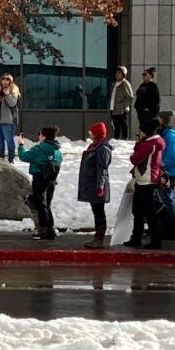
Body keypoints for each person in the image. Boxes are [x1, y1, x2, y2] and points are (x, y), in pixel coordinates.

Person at [16, 126, 63, 240]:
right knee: (48, 204)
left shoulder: (39, 149)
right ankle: (50, 229)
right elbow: (59, 161)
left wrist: (21, 145)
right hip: (52, 180)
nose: (38, 136)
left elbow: (23, 156)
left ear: (44, 136)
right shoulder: (57, 149)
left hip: (39, 178)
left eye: (40, 134)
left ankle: (43, 231)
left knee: (40, 204)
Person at [125, 120, 166, 249]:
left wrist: (140, 143)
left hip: (145, 181)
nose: (139, 133)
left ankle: (155, 241)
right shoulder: (155, 142)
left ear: (146, 132)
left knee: (148, 212)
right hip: (145, 180)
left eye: (141, 131)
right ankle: (136, 238)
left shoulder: (149, 145)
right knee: (138, 211)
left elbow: (134, 158)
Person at [78, 121, 113, 249]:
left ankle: (99, 238)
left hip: (97, 186)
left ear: (97, 134)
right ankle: (97, 237)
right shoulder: (95, 146)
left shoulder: (102, 149)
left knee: (99, 212)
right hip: (93, 185)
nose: (90, 134)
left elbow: (102, 169)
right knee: (96, 211)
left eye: (92, 132)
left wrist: (100, 186)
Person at [158, 109, 175, 240]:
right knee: (164, 199)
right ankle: (166, 227)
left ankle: (171, 229)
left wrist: (163, 168)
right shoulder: (166, 133)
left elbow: (171, 156)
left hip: (168, 173)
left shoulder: (169, 135)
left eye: (159, 119)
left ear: (163, 120)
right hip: (167, 171)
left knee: (166, 200)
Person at [0, 74, 20, 163]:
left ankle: (11, 160)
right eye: (3, 79)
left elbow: (12, 103)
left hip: (7, 120)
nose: (5, 81)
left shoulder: (13, 90)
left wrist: (7, 94)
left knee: (9, 141)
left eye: (7, 79)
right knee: (0, 141)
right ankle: (1, 159)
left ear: (10, 81)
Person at [109, 65, 134, 141]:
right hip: (113, 109)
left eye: (119, 73)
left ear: (123, 74)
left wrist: (123, 106)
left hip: (122, 110)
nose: (117, 74)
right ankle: (116, 142)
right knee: (116, 127)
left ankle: (124, 142)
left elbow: (130, 97)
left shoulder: (125, 83)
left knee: (124, 126)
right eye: (116, 73)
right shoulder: (114, 84)